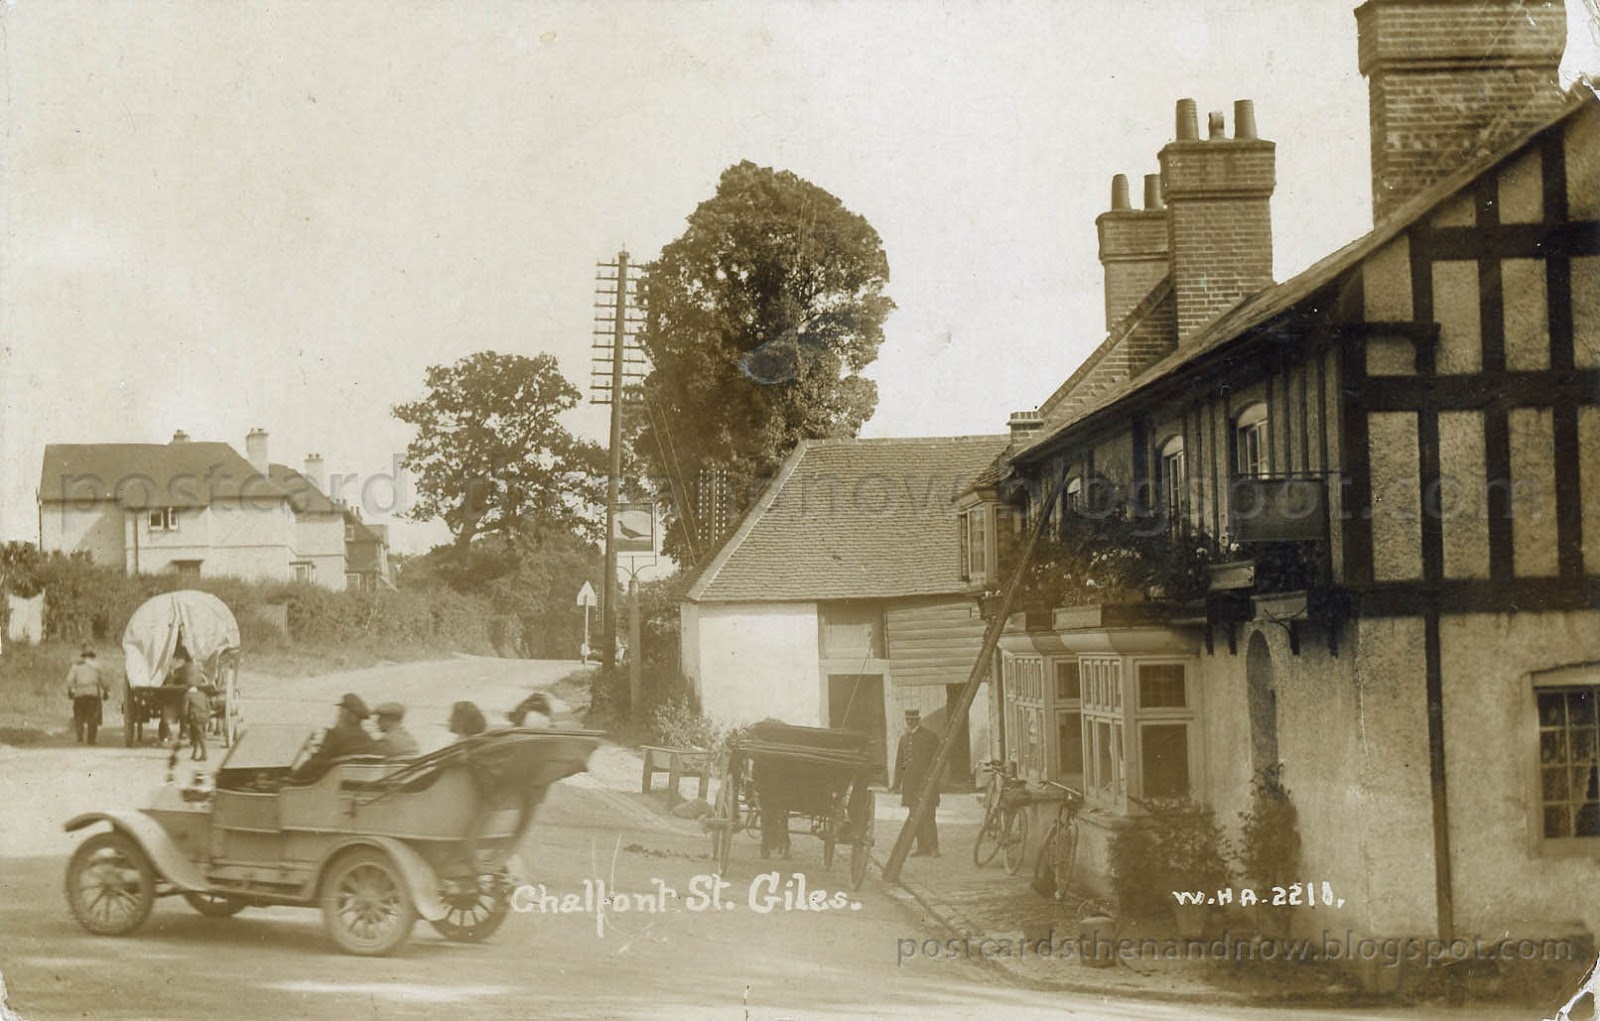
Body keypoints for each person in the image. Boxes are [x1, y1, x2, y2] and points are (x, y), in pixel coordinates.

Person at [289, 693, 377, 782]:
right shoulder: (367, 738)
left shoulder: (335, 734)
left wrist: (292, 777)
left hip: (324, 787)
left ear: (346, 713)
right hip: (353, 786)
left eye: (341, 710)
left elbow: (316, 763)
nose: (338, 714)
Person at [892, 708, 942, 857]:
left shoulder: (930, 737)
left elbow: (938, 760)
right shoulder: (904, 739)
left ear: (918, 720)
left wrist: (935, 781)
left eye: (913, 720)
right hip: (910, 785)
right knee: (915, 816)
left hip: (926, 783)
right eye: (907, 720)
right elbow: (899, 763)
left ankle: (933, 847)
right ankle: (922, 848)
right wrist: (896, 784)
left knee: (929, 815)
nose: (910, 722)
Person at [65, 649, 109, 745]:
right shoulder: (96, 666)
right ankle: (91, 740)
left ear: (83, 657)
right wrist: (106, 690)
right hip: (92, 694)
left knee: (79, 715)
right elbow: (103, 681)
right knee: (92, 717)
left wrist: (71, 690)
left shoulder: (75, 666)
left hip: (79, 693)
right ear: (93, 657)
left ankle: (80, 735)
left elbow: (69, 681)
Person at [183, 681, 211, 761]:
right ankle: (194, 754)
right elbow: (208, 707)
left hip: (195, 718)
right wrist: (207, 717)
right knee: (196, 736)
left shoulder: (187, 695)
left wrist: (186, 720)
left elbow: (185, 710)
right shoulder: (203, 694)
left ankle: (204, 754)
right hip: (204, 717)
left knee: (199, 736)